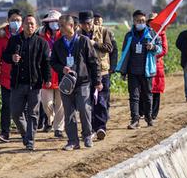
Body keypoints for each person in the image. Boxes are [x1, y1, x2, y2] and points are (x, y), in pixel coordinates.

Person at [2, 14, 52, 150]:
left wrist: (47, 79)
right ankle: (25, 134)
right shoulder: (14, 40)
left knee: (33, 113)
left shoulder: (42, 43)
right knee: (16, 113)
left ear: (36, 26)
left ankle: (30, 140)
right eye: (27, 23)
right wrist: (12, 57)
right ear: (22, 26)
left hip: (34, 83)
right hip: (17, 83)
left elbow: (46, 63)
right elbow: (5, 56)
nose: (29, 26)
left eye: (32, 24)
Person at [52, 15, 102, 150]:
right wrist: (62, 68)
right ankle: (73, 141)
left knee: (84, 109)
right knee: (69, 113)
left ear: (72, 26)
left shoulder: (83, 41)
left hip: (83, 82)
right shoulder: (58, 44)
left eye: (63, 25)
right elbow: (53, 62)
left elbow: (93, 62)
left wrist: (97, 80)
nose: (60, 28)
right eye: (59, 25)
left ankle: (87, 135)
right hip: (66, 84)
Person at [115, 10, 163, 129]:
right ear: (134, 21)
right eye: (138, 21)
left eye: (142, 20)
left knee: (147, 95)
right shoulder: (129, 35)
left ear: (145, 20)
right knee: (134, 96)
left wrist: (153, 47)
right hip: (133, 71)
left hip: (146, 71)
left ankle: (148, 118)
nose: (140, 22)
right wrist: (123, 71)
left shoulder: (152, 33)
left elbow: (160, 49)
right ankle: (135, 119)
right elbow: (125, 53)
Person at [78, 11, 113, 140]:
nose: (86, 26)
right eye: (83, 24)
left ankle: (101, 127)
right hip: (86, 73)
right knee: (88, 102)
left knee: (102, 101)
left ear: (92, 21)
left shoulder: (103, 31)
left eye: (88, 23)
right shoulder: (78, 34)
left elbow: (109, 48)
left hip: (102, 71)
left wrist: (95, 44)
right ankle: (91, 128)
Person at [0, 9, 23, 142]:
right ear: (8, 21)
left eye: (18, 20)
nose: (15, 22)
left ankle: (25, 131)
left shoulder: (25, 34)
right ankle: (5, 133)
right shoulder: (2, 35)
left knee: (23, 105)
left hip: (23, 76)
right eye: (13, 20)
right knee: (6, 105)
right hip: (6, 76)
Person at [39, 10, 65, 138]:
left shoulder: (65, 36)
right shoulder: (42, 36)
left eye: (57, 21)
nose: (54, 24)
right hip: (46, 74)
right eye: (52, 22)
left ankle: (59, 128)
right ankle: (51, 118)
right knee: (46, 103)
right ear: (47, 23)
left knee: (60, 104)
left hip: (61, 73)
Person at [148, 13, 167, 119]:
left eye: (153, 21)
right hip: (146, 66)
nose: (151, 23)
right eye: (150, 21)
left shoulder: (161, 34)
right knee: (146, 90)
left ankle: (154, 113)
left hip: (156, 65)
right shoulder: (145, 33)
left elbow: (164, 50)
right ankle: (146, 112)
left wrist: (152, 53)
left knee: (156, 90)